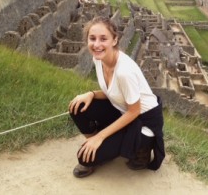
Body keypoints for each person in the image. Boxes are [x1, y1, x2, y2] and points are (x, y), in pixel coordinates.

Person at [68, 16, 165, 178]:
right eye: (92, 38)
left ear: (114, 40)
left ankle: (141, 148)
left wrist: (100, 136)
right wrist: (91, 94)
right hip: (123, 111)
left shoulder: (124, 72)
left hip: (143, 122)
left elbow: (135, 111)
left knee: (82, 157)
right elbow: (112, 92)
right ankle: (97, 148)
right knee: (77, 107)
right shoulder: (99, 58)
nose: (96, 44)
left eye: (103, 39)